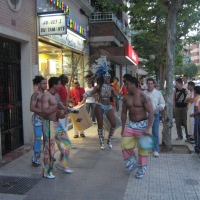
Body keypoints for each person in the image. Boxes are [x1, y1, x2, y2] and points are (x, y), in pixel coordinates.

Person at [84, 56, 120, 150]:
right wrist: (86, 95)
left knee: (114, 123)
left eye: (109, 77)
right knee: (100, 124)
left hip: (108, 106)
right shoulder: (98, 87)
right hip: (99, 105)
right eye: (107, 77)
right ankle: (101, 142)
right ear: (103, 78)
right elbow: (91, 93)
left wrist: (120, 97)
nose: (108, 79)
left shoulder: (111, 88)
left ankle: (109, 140)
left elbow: (117, 95)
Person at [121, 76, 154, 179]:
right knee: (124, 144)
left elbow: (151, 112)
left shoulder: (143, 96)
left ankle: (141, 170)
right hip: (130, 124)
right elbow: (123, 112)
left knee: (142, 149)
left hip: (142, 124)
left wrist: (148, 128)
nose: (125, 86)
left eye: (127, 84)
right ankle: (132, 162)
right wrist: (123, 127)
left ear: (133, 85)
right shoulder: (126, 97)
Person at [41, 77, 73, 179]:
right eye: (59, 84)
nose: (60, 86)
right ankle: (47, 171)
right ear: (54, 85)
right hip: (48, 123)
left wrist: (65, 110)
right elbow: (45, 111)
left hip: (57, 123)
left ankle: (63, 164)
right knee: (50, 149)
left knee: (67, 143)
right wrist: (57, 106)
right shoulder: (46, 95)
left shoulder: (57, 96)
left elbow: (60, 110)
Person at [144, 78, 165, 157]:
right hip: (145, 115)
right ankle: (145, 148)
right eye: (148, 83)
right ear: (146, 84)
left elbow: (163, 103)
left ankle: (155, 150)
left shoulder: (158, 93)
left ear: (153, 84)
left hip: (155, 114)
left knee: (155, 132)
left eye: (151, 84)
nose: (150, 85)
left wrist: (161, 107)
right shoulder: (143, 93)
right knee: (145, 132)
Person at [30, 75, 47, 167]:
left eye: (46, 83)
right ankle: (35, 159)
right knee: (37, 138)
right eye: (44, 83)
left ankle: (46, 156)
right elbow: (32, 108)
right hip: (37, 119)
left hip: (46, 119)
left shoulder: (47, 94)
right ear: (39, 85)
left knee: (46, 138)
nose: (45, 85)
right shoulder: (36, 95)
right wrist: (42, 111)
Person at [190, 86, 200, 153]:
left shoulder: (196, 99)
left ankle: (197, 147)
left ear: (195, 91)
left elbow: (198, 110)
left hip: (198, 118)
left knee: (197, 133)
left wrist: (192, 114)